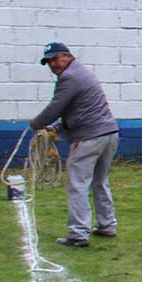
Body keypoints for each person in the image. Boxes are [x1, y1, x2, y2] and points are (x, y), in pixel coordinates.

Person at [30, 42, 119, 247]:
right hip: (109, 133)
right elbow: (76, 110)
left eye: (55, 59)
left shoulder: (69, 77)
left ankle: (78, 234)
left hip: (89, 138)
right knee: (100, 181)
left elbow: (56, 107)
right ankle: (107, 225)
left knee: (77, 183)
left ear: (67, 56)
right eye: (48, 62)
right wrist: (58, 128)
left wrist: (35, 125)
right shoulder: (81, 72)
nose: (52, 64)